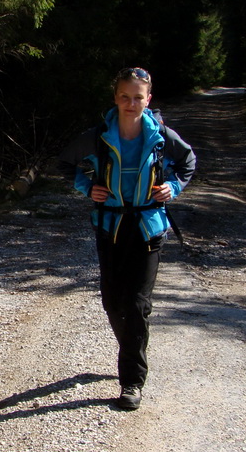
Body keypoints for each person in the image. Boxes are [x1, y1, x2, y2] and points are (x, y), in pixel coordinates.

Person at [58, 67, 196, 410]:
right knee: (112, 301)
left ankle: (131, 381)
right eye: (125, 96)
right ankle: (130, 349)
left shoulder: (161, 135)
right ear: (115, 98)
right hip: (110, 226)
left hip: (149, 226)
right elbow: (65, 164)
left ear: (149, 99)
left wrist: (173, 187)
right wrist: (88, 187)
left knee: (136, 304)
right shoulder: (97, 136)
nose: (131, 103)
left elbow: (188, 161)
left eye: (138, 97)